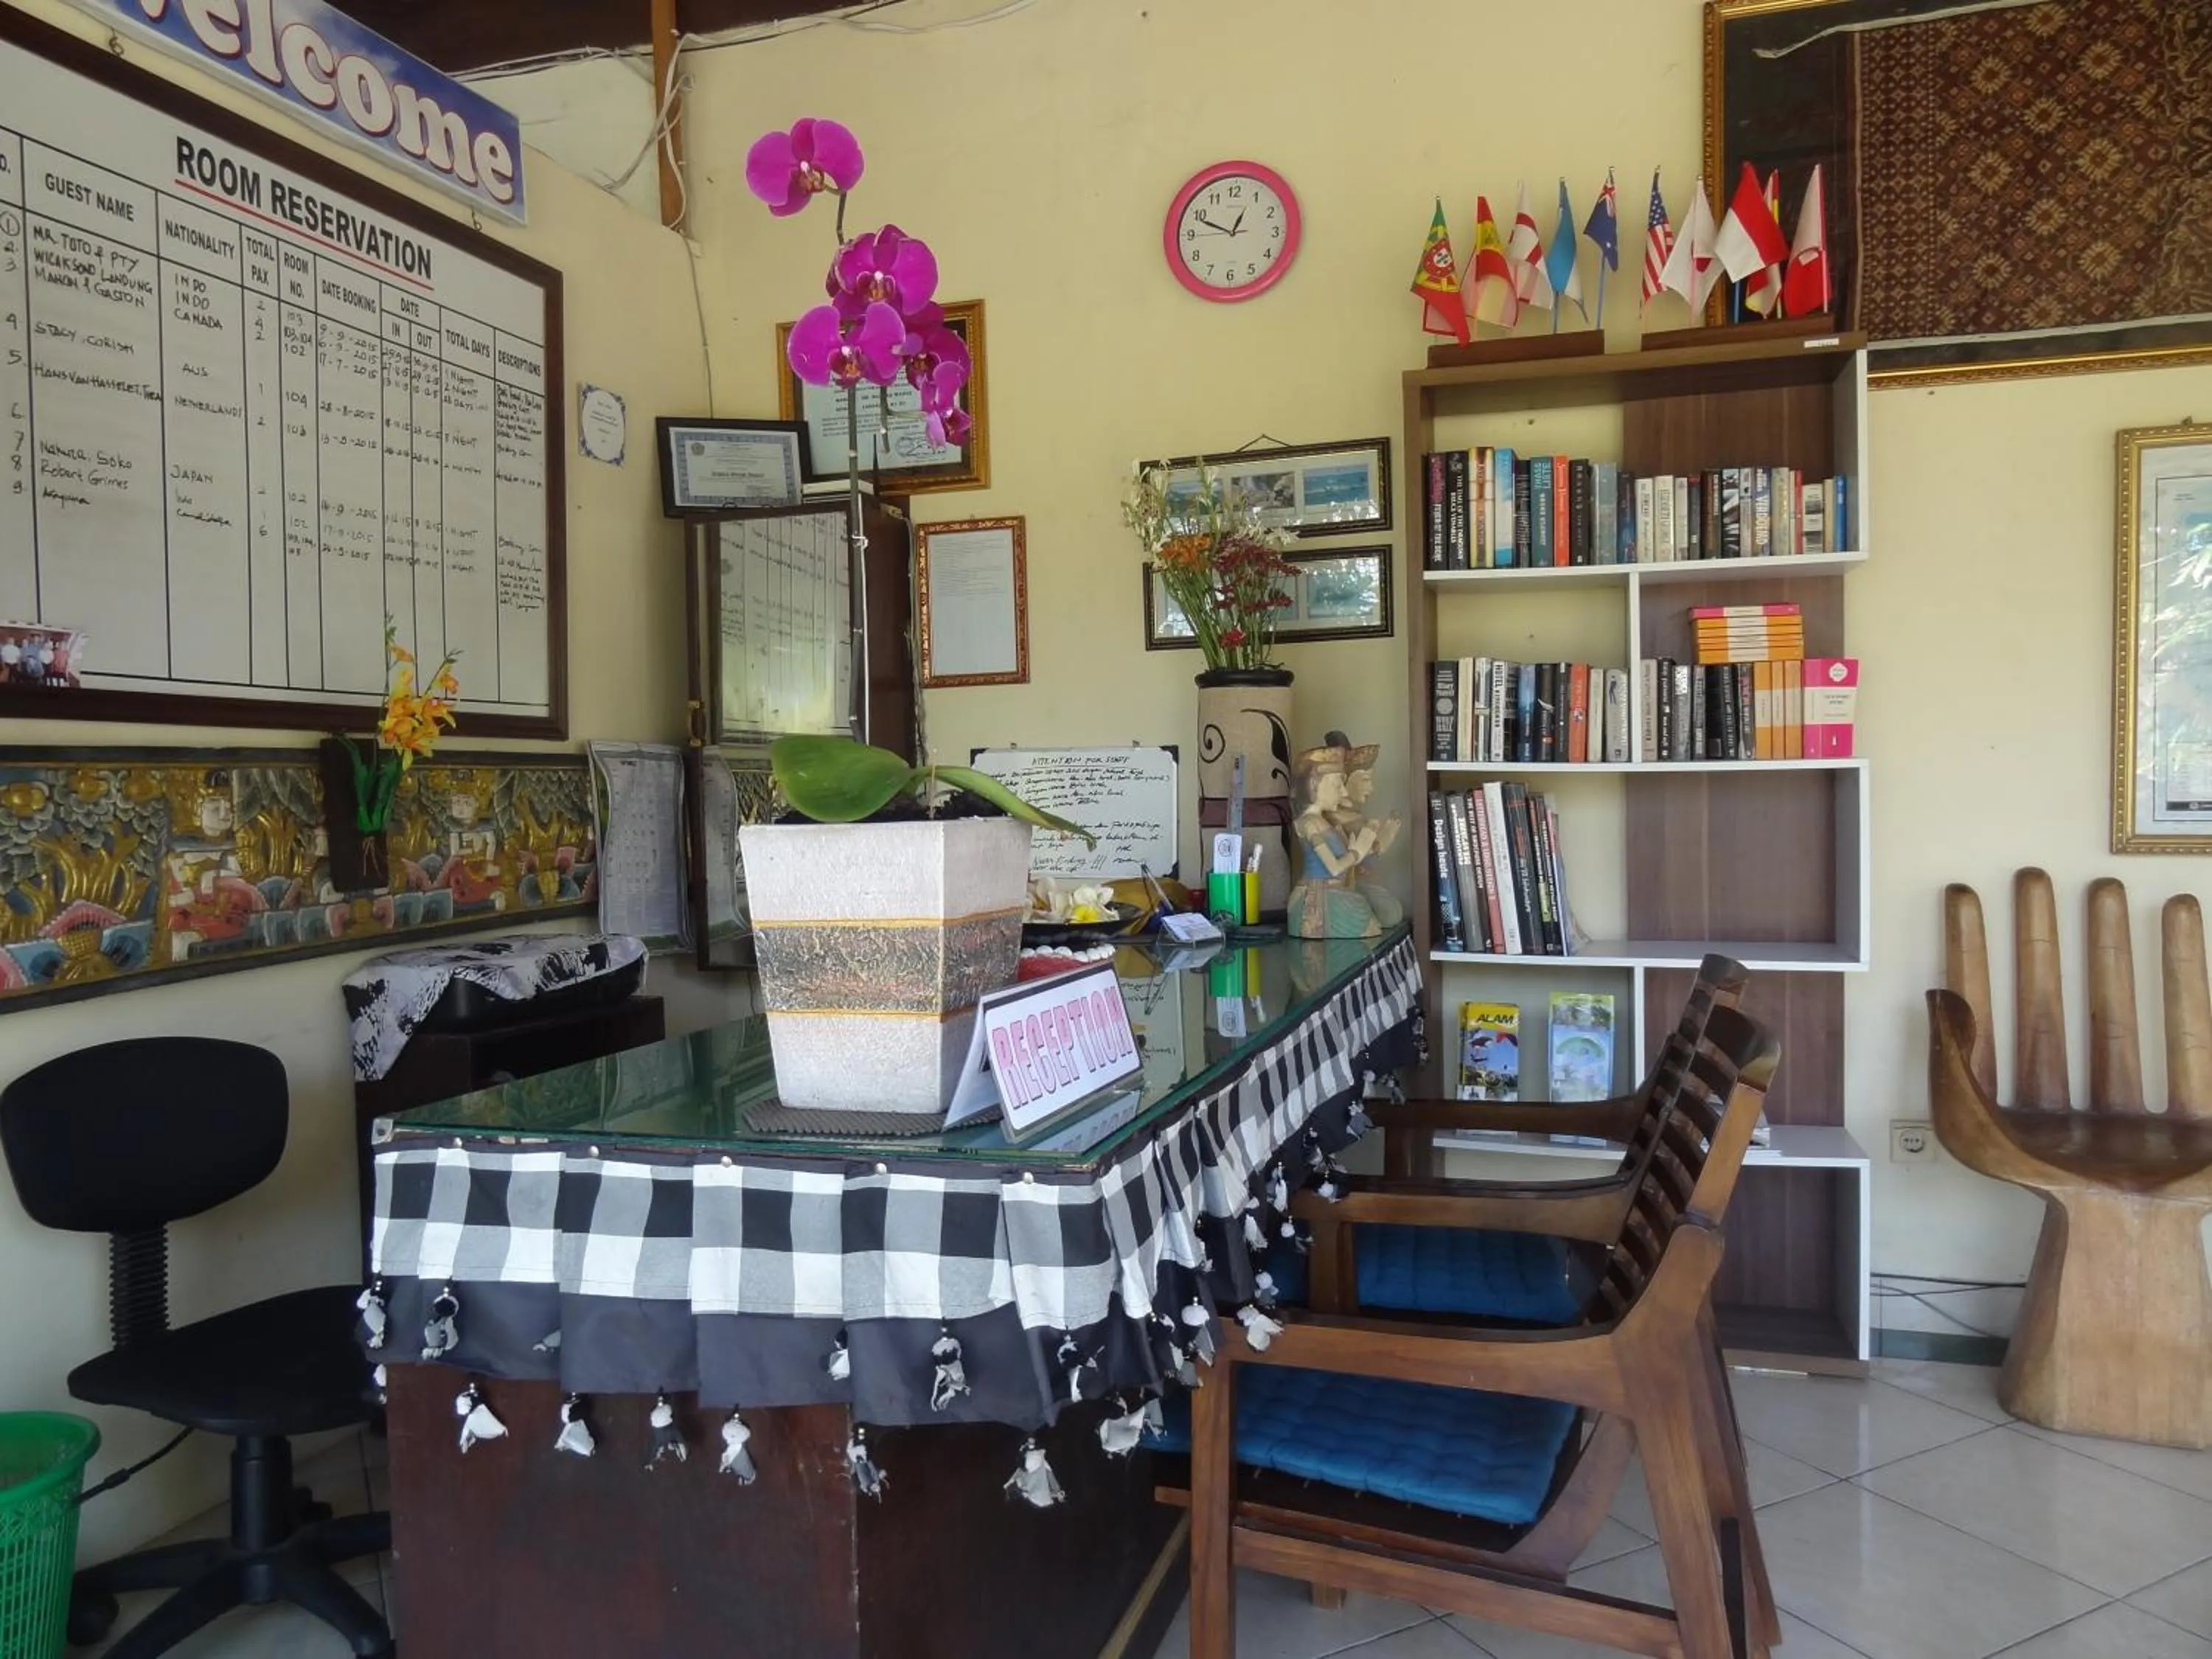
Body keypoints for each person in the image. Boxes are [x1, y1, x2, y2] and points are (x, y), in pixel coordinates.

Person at [1284, 731, 1403, 939]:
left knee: (1381, 916)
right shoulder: (1310, 823)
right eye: (1337, 785)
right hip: (1320, 896)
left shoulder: (1322, 822)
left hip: (1338, 892)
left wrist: (1375, 843)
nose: (1344, 793)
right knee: (1370, 921)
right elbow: (1334, 867)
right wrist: (1357, 852)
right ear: (1315, 785)